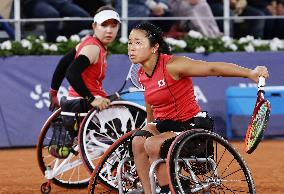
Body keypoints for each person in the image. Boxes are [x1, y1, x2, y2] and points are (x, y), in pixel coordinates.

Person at [128, 22, 269, 194]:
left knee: (152, 144)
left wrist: (250, 73)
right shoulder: (142, 73)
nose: (131, 48)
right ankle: (148, 190)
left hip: (190, 124)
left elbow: (212, 68)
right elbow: (149, 100)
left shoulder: (173, 65)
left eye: (137, 42)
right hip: (166, 125)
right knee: (137, 141)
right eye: (129, 42)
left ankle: (171, 190)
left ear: (154, 47)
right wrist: (149, 125)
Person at [48, 5, 120, 113]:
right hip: (84, 104)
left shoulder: (88, 42)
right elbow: (71, 73)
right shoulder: (93, 48)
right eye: (104, 25)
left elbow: (63, 64)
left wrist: (54, 92)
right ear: (94, 26)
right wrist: (92, 99)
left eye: (113, 26)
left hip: (79, 101)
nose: (109, 30)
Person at [21, 0, 92, 42]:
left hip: (59, 1)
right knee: (51, 14)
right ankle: (52, 44)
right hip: (35, 2)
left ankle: (60, 39)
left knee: (84, 18)